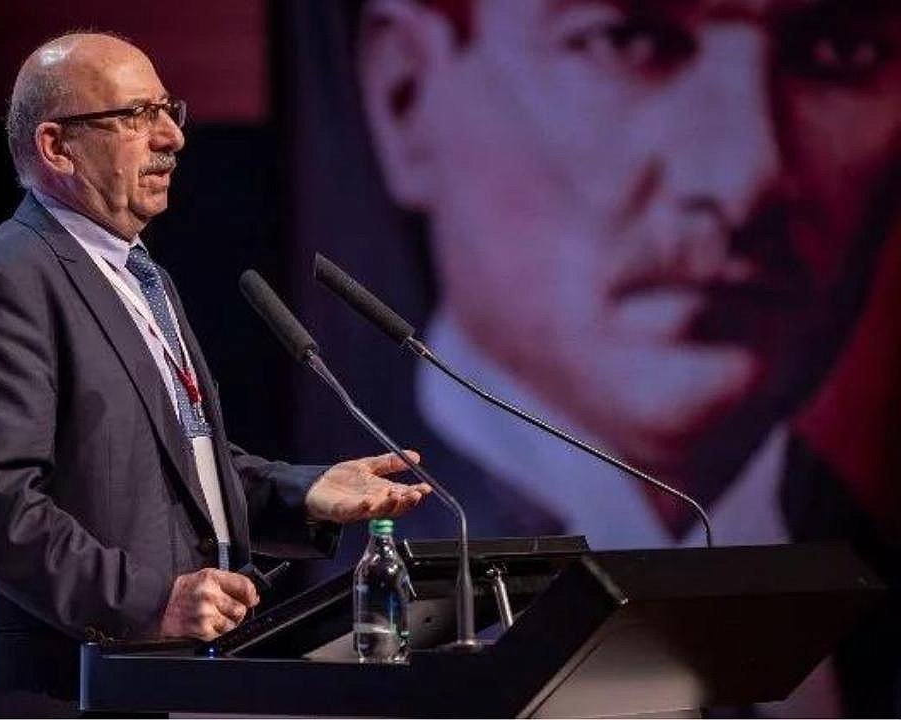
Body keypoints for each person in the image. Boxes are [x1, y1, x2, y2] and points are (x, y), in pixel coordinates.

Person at [332, 0, 899, 714]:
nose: (747, 177)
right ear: (406, 94)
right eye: (628, 41)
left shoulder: (866, 576)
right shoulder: (325, 584)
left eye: (837, 54)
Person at [0, 32, 431, 718]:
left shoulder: (145, 278)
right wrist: (151, 603)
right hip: (68, 690)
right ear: (56, 147)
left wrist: (305, 492)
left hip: (178, 682)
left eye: (168, 110)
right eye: (136, 116)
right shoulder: (3, 281)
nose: (172, 137)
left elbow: (175, 470)